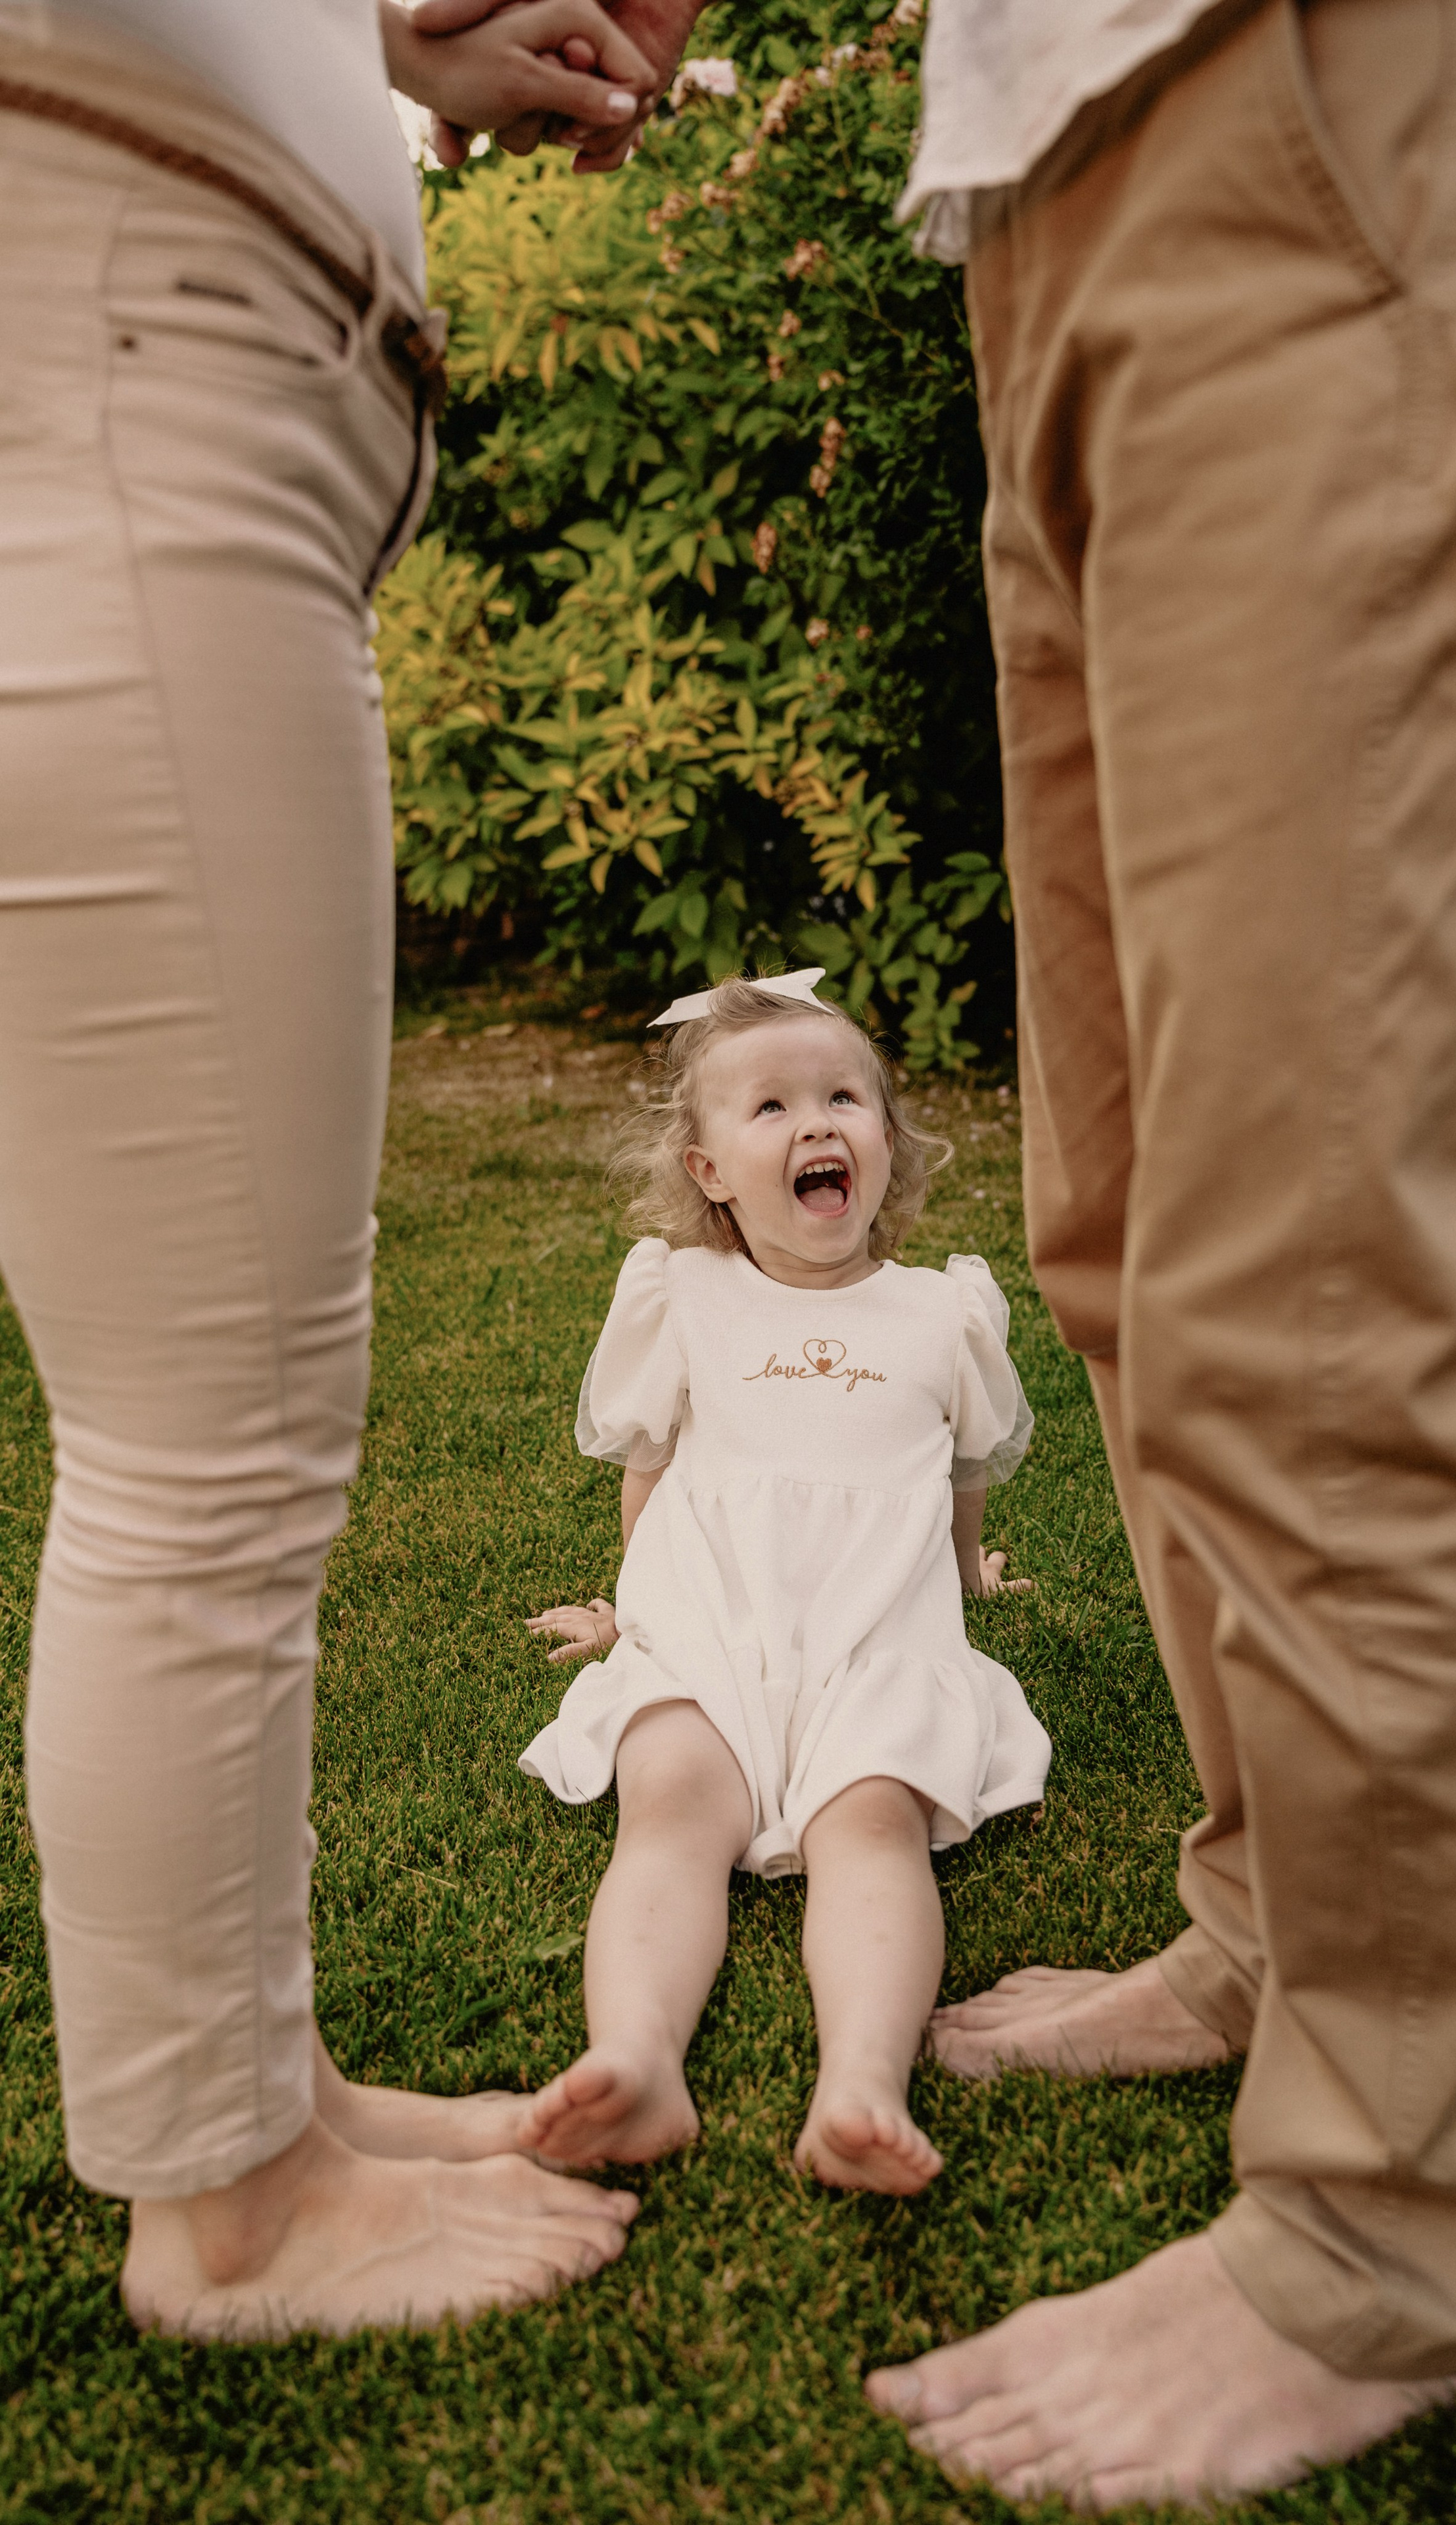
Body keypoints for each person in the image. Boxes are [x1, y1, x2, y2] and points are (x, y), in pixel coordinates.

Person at [857, 0, 1456, 2507]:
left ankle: (1393, 2233)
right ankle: (1272, 1927)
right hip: (1059, 163)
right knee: (1129, 1240)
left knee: (1307, 1289)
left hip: (1364, 72)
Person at [0, 0, 675, 2343]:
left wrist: (397, 35)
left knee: (241, 1411)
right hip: (110, 377)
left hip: (176, 396)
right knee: (204, 1436)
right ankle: (226, 2212)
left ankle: (255, 2087)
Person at [515, 971, 1049, 2195]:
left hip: (876, 1648)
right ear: (709, 1170)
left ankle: (861, 2082)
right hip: (709, 1633)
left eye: (843, 1097)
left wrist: (968, 1573)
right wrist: (623, 1613)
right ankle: (636, 2057)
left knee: (873, 1833)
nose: (818, 1124)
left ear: (884, 1137)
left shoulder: (940, 1312)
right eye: (772, 1108)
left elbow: (965, 1471)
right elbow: (651, 1477)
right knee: (669, 1817)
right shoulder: (684, 1297)